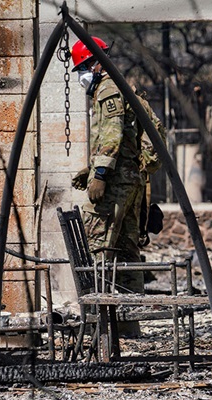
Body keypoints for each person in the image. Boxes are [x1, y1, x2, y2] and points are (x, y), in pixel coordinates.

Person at [68, 36, 147, 294]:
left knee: (96, 247)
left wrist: (100, 174)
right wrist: (90, 169)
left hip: (115, 182)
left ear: (96, 64)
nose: (81, 75)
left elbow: (112, 134)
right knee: (126, 251)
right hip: (130, 180)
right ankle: (130, 321)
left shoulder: (108, 89)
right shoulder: (121, 86)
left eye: (82, 68)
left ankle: (98, 320)